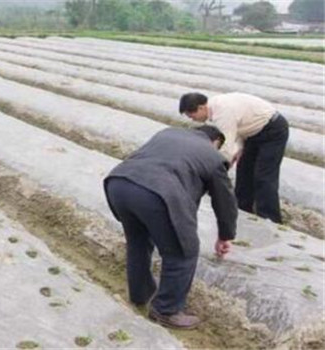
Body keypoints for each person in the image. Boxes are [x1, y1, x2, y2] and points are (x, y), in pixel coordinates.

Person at [104, 126, 238, 330]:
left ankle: (140, 294)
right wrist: (225, 235)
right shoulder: (213, 156)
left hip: (119, 183)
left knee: (138, 243)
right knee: (183, 252)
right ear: (216, 142)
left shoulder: (167, 133)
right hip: (156, 192)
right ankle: (166, 310)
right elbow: (224, 201)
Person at [179, 92, 289, 224]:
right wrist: (241, 147)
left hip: (272, 130)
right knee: (244, 171)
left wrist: (214, 174)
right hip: (252, 133)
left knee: (264, 176)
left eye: (192, 115)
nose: (192, 119)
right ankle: (242, 210)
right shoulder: (214, 109)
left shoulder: (222, 113)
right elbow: (238, 127)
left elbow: (226, 147)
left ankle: (271, 219)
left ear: (202, 107)